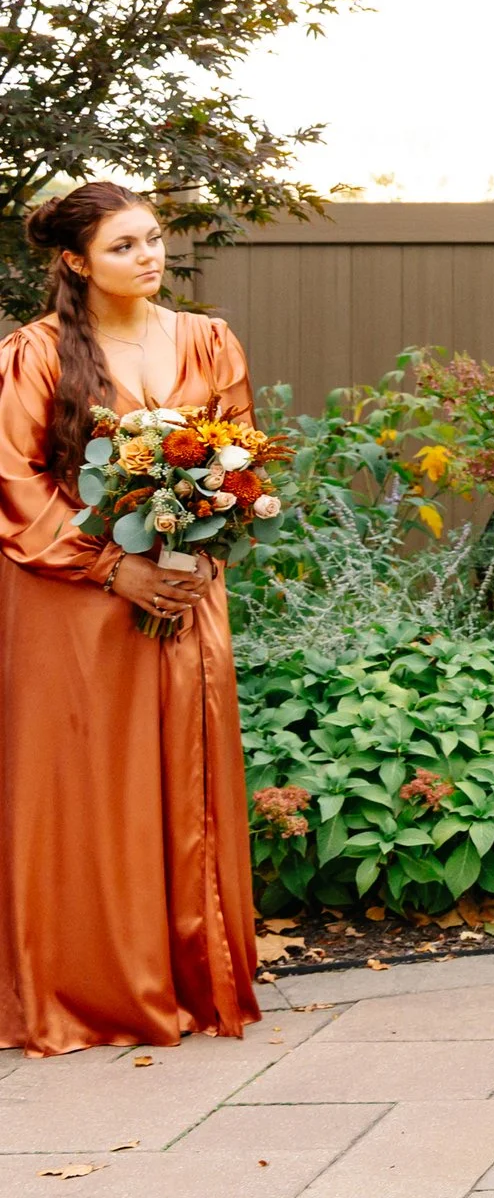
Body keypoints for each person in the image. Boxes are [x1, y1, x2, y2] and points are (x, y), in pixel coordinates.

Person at [0, 182, 260, 1056]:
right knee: (89, 787)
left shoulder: (208, 340)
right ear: (76, 261)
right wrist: (117, 568)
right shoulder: (34, 353)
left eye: (152, 238)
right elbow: (14, 483)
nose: (149, 255)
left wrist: (194, 557)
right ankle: (92, 989)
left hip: (185, 592)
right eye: (124, 246)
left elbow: (242, 459)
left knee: (185, 771)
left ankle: (192, 978)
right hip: (74, 599)